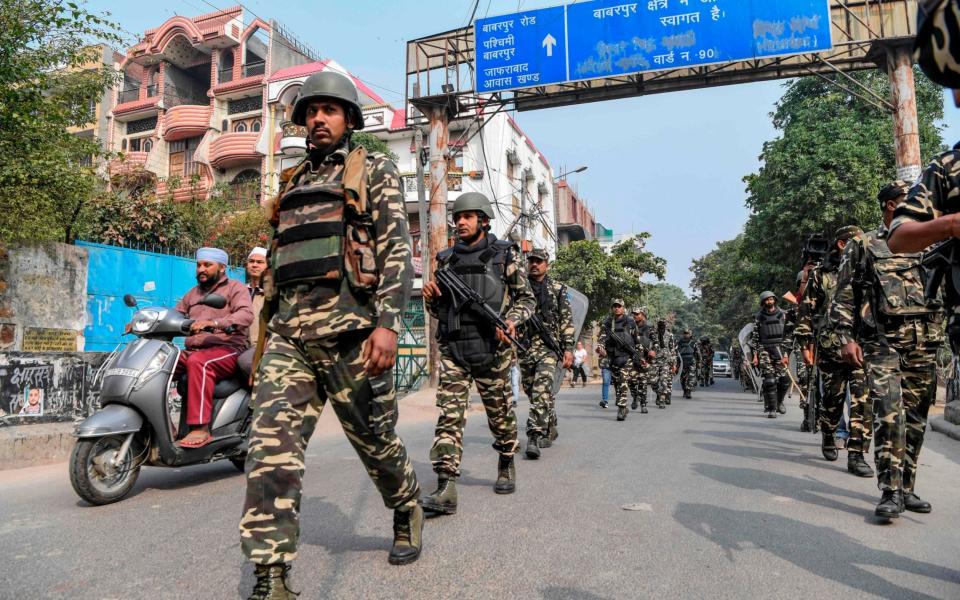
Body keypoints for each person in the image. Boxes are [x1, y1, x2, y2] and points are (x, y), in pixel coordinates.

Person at [238, 71, 422, 598]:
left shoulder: (375, 170)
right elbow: (279, 263)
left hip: (353, 337)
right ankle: (270, 575)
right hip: (292, 340)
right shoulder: (291, 183)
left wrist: (387, 324)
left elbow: (396, 253)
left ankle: (406, 505)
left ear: (349, 120)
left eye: (329, 110)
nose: (318, 118)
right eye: (310, 111)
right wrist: (266, 337)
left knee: (377, 444)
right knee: (269, 453)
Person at [831, 180, 944, 520]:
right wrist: (845, 339)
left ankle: (907, 487)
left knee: (916, 419)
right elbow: (844, 295)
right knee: (889, 413)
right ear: (892, 206)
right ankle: (890, 491)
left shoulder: (934, 242)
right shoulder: (864, 244)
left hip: (925, 342)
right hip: (881, 343)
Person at [420, 192, 535, 515]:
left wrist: (511, 321)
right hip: (455, 348)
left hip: (493, 349)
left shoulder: (504, 257)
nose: (460, 222)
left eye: (468, 217)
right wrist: (430, 298)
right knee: (449, 416)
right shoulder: (445, 260)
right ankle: (446, 485)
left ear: (483, 220)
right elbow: (439, 311)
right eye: (457, 217)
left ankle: (507, 458)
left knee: (500, 416)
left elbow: (527, 299)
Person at [795, 226, 868, 467]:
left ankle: (856, 454)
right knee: (833, 401)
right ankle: (829, 433)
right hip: (830, 345)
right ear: (842, 244)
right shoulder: (821, 274)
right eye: (857, 241)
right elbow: (806, 310)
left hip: (862, 345)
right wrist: (806, 345)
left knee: (861, 399)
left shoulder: (866, 269)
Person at [173, 247, 253, 448]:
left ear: (222, 268)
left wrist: (215, 323)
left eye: (207, 265)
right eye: (199, 265)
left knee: (199, 362)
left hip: (228, 348)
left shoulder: (235, 288)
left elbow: (246, 315)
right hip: (195, 349)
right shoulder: (191, 294)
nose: (202, 269)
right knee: (159, 363)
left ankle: (200, 427)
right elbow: (175, 316)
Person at [516, 248, 574, 459]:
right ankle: (550, 424)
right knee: (532, 391)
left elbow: (566, 321)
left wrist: (568, 349)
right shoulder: (518, 289)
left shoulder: (558, 289)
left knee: (541, 391)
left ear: (546, 265)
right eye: (531, 261)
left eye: (538, 261)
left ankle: (533, 435)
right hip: (524, 347)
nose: (534, 264)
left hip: (549, 348)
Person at [597, 300, 645, 421]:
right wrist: (601, 347)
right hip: (613, 357)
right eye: (615, 306)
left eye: (619, 306)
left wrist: (639, 356)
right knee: (617, 384)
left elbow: (636, 340)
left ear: (623, 308)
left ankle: (622, 408)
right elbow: (602, 338)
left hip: (627, 356)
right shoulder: (608, 322)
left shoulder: (630, 321)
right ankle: (621, 403)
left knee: (623, 381)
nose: (617, 308)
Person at [751, 291, 792, 418]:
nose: (769, 301)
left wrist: (786, 354)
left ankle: (780, 402)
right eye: (767, 300)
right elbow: (756, 338)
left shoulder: (784, 315)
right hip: (764, 351)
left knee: (785, 379)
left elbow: (789, 336)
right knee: (770, 380)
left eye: (771, 299)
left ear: (775, 300)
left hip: (780, 349)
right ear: (763, 302)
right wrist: (755, 356)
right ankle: (772, 409)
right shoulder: (758, 317)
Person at [238, 246, 268, 378]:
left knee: (246, 363)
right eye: (251, 261)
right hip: (238, 345)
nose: (254, 265)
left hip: (262, 347)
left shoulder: (271, 294)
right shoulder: (239, 292)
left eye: (260, 262)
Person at [629, 306, 656, 414]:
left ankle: (643, 404)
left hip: (645, 358)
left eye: (637, 314)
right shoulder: (630, 326)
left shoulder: (649, 327)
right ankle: (635, 396)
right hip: (631, 358)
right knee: (631, 381)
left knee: (643, 382)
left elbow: (656, 342)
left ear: (643, 315)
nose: (634, 316)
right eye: (633, 314)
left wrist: (653, 351)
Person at [650, 318, 676, 409]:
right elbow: (648, 345)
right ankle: (659, 393)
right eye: (660, 324)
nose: (661, 325)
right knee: (653, 382)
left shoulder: (670, 335)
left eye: (663, 324)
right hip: (654, 361)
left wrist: (673, 364)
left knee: (664, 381)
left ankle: (662, 400)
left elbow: (672, 349)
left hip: (665, 361)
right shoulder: (653, 334)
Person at [677, 330, 701, 399]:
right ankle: (684, 390)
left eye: (687, 333)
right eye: (684, 333)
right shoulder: (680, 342)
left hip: (691, 361)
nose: (686, 335)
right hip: (682, 361)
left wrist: (699, 362)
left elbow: (698, 352)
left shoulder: (693, 343)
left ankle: (688, 391)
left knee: (691, 377)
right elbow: (676, 352)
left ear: (690, 334)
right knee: (683, 378)